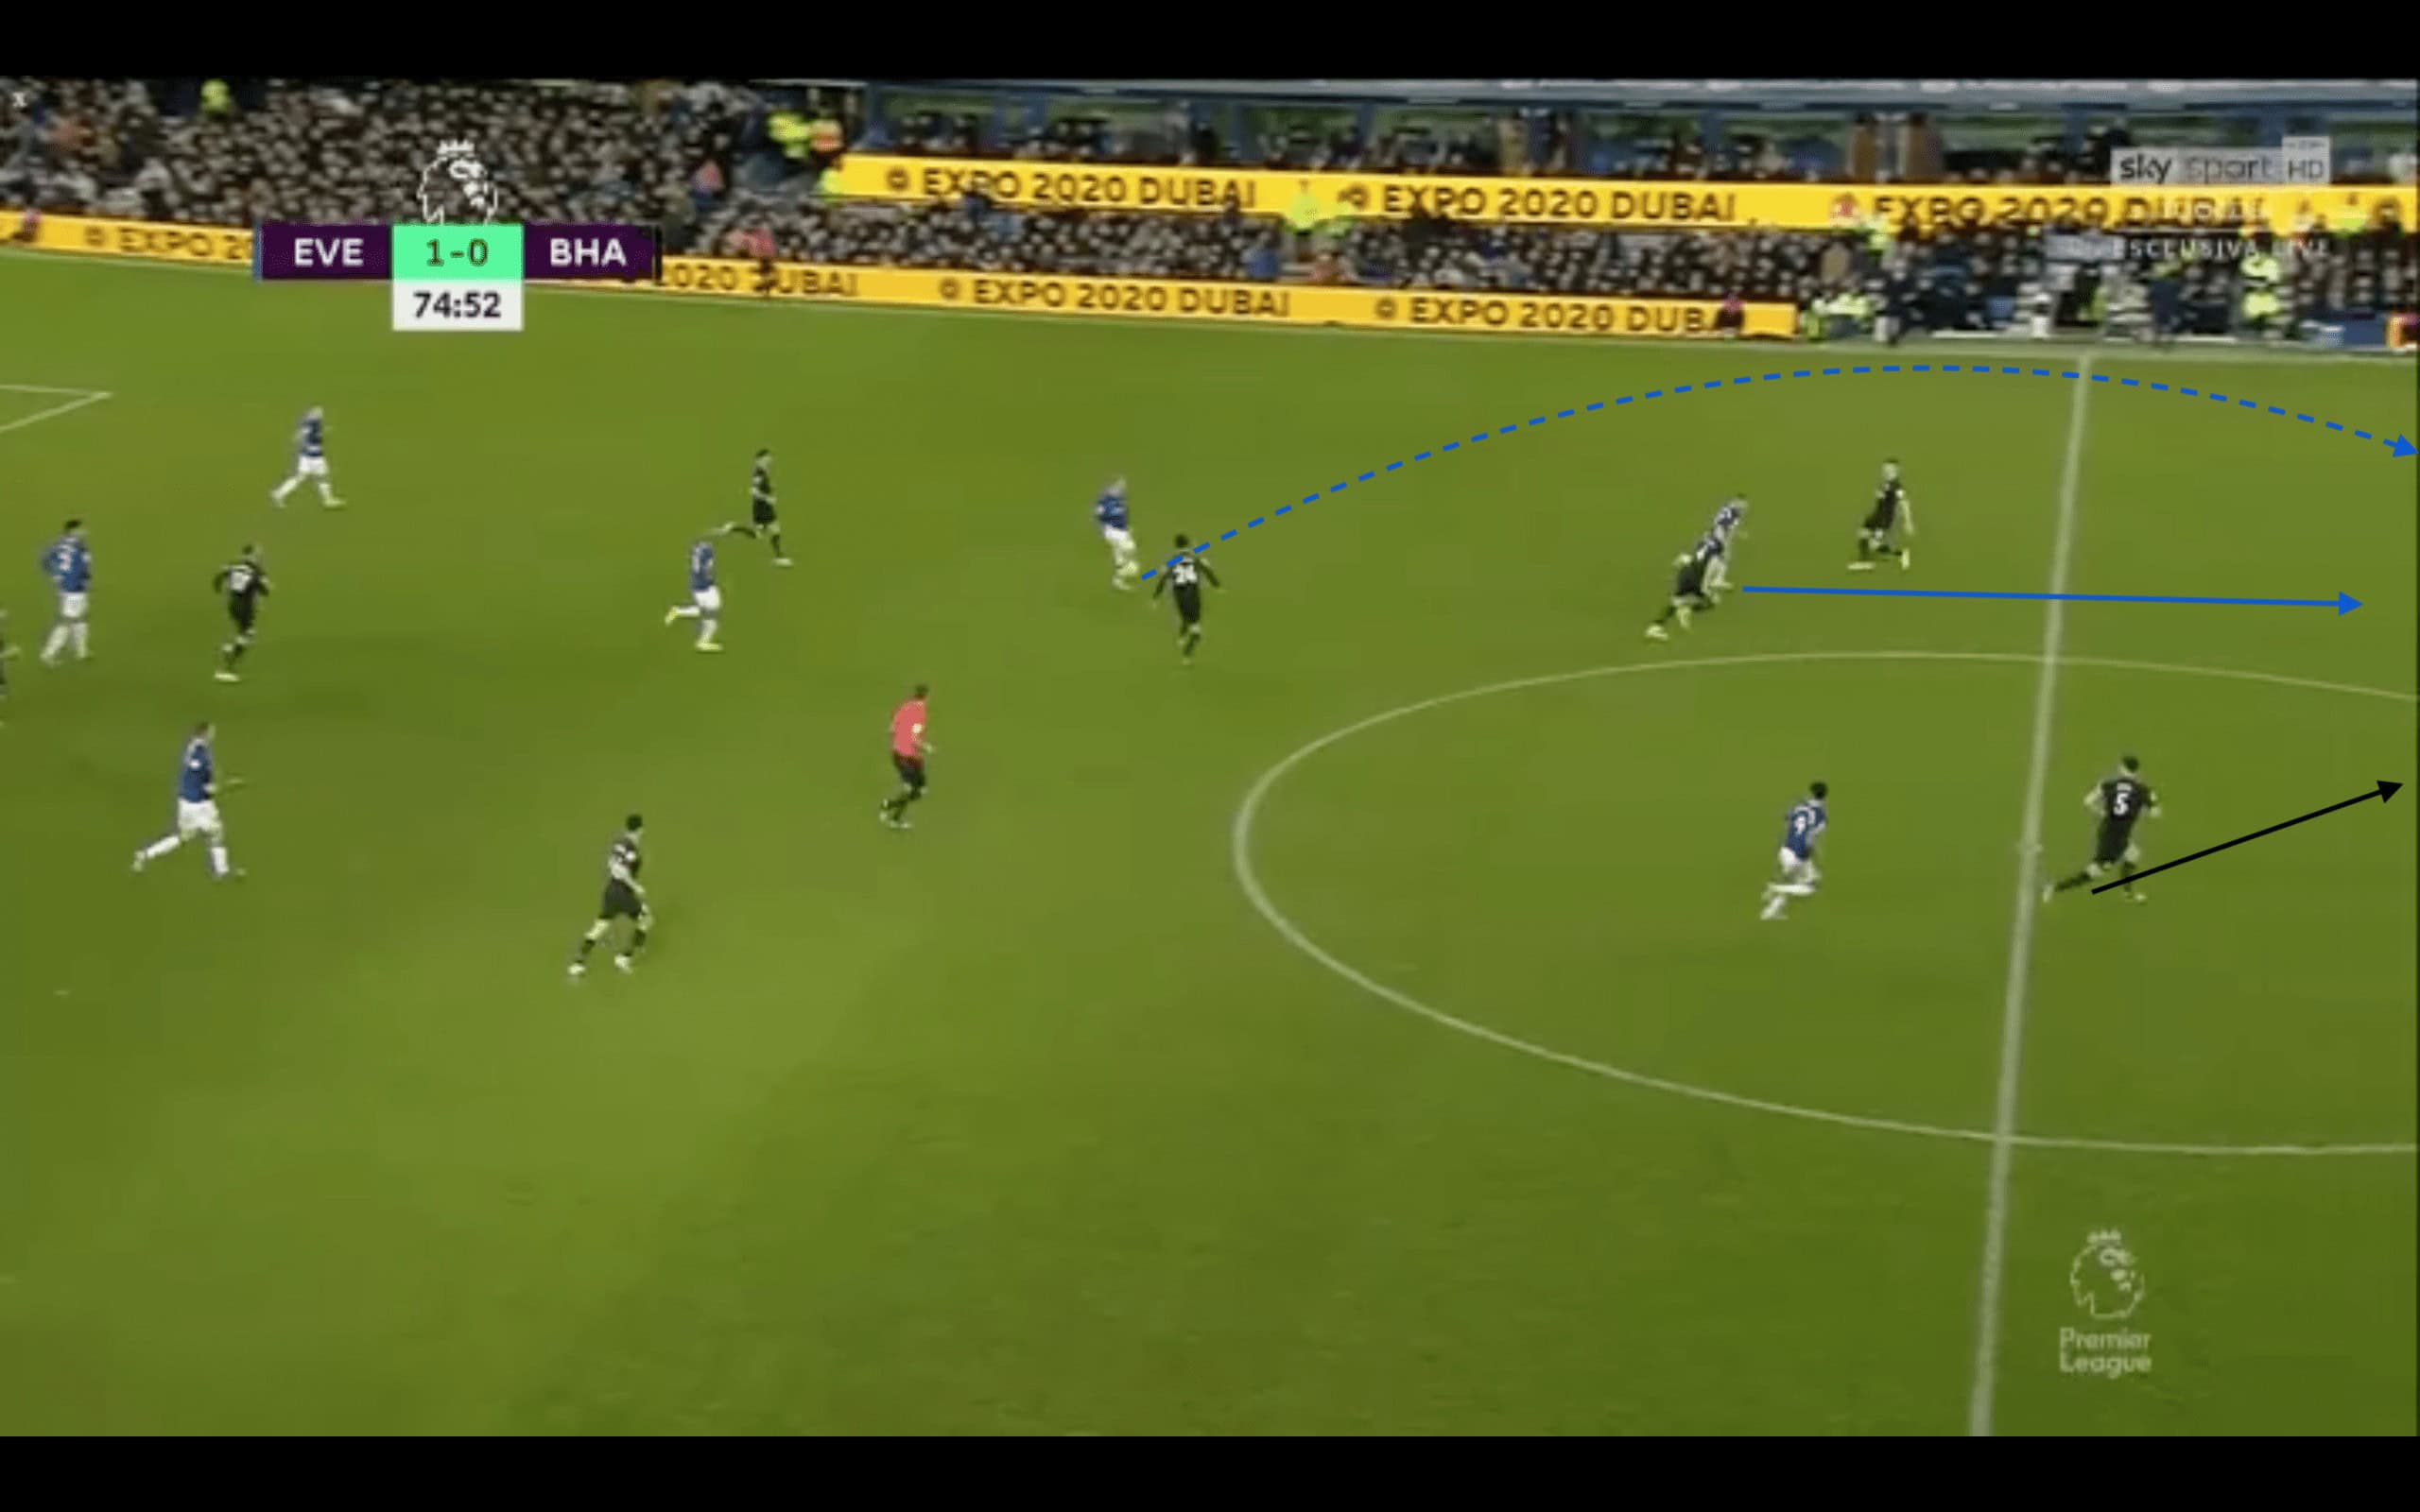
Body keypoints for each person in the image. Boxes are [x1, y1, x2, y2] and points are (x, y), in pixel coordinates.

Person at [132, 720, 240, 879]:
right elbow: (207, 788)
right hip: (200, 805)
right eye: (211, 732)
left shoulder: (192, 747)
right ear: (205, 734)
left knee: (181, 836)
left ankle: (145, 854)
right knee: (216, 832)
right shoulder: (202, 755)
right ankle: (221, 871)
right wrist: (226, 786)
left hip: (185, 801)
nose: (213, 735)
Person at [2043, 757, 2159, 904]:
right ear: (2137, 771)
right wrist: (2141, 808)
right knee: (2095, 872)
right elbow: (2155, 813)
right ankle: (2054, 888)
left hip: (2109, 832)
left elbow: (2088, 801)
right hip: (2115, 838)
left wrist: (2101, 812)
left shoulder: (2109, 785)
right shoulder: (2143, 790)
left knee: (2133, 854)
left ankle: (2127, 893)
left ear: (2122, 768)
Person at [569, 815, 651, 976]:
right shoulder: (632, 850)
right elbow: (622, 871)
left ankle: (577, 963)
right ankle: (625, 957)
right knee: (646, 920)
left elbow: (612, 865)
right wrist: (635, 887)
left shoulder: (618, 844)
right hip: (623, 893)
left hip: (611, 891)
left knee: (599, 927)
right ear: (640, 829)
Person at [1759, 782, 1828, 921]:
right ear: (1825, 796)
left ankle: (1772, 909)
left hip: (1786, 848)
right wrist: (1812, 853)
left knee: (1799, 879)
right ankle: (1775, 890)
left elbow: (1787, 819)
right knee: (1809, 886)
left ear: (1811, 792)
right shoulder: (1821, 816)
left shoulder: (1799, 806)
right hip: (1798, 854)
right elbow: (1811, 839)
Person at [1150, 533, 1220, 664]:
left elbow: (1163, 578)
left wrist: (1156, 597)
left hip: (1179, 597)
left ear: (1175, 546)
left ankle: (1181, 638)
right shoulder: (1195, 558)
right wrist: (1217, 586)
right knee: (1196, 631)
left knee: (1185, 618)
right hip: (1193, 596)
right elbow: (1207, 571)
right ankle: (1186, 656)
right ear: (1188, 544)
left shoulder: (1172, 561)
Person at [718, 449, 789, 565]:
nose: (769, 460)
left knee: (760, 533)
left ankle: (733, 527)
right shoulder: (758, 473)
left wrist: (770, 491)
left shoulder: (764, 471)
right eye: (767, 458)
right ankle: (779, 557)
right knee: (772, 529)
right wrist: (767, 498)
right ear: (760, 459)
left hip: (766, 507)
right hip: (761, 508)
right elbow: (753, 491)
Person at [37, 518, 92, 665]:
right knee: (67, 621)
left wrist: (56, 576)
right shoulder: (80, 547)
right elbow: (83, 569)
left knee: (81, 618)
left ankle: (81, 650)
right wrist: (84, 581)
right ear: (73, 531)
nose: (84, 532)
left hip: (65, 587)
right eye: (81, 529)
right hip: (75, 589)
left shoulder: (58, 543)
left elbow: (44, 559)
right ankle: (48, 654)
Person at [212, 544, 270, 682]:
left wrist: (219, 588)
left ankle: (229, 648)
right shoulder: (257, 571)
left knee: (242, 630)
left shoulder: (233, 565)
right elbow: (265, 590)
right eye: (256, 554)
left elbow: (218, 577)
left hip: (232, 604)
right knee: (246, 635)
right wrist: (264, 587)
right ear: (251, 555)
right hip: (245, 607)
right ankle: (227, 669)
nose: (258, 557)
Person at [269, 405, 344, 510]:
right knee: (321, 477)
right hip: (313, 457)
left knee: (304, 477)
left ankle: (279, 494)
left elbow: (308, 435)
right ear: (312, 414)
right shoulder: (310, 424)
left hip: (309, 456)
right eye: (318, 413)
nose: (321, 414)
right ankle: (328, 500)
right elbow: (299, 436)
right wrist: (304, 442)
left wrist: (323, 432)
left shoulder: (315, 424)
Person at [879, 683, 932, 830]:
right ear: (927, 697)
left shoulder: (904, 707)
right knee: (909, 790)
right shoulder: (920, 714)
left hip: (902, 755)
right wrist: (926, 747)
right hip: (906, 757)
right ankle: (895, 819)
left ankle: (888, 805)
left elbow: (891, 729)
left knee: (920, 790)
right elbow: (915, 739)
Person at [1849, 459, 1913, 572]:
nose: (1886, 472)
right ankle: (1864, 562)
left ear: (1896, 472)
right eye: (1885, 469)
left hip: (1884, 520)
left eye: (1889, 470)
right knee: (1862, 534)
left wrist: (1908, 522)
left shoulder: (1896, 487)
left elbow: (1904, 503)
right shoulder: (1884, 484)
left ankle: (1901, 554)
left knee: (1874, 545)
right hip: (1875, 516)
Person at [662, 537, 723, 651]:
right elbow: (708, 569)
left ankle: (678, 611)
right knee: (712, 614)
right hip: (705, 588)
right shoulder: (707, 554)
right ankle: (703, 642)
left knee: (705, 610)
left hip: (695, 586)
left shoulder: (695, 551)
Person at [1095, 476, 1139, 589]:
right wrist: (1103, 528)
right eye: (1119, 487)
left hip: (1121, 531)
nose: (1122, 490)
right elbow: (1099, 516)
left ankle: (1118, 580)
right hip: (1113, 531)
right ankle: (1127, 570)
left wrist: (1127, 527)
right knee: (1130, 548)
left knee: (1120, 555)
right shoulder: (1105, 502)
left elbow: (1123, 515)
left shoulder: (1120, 501)